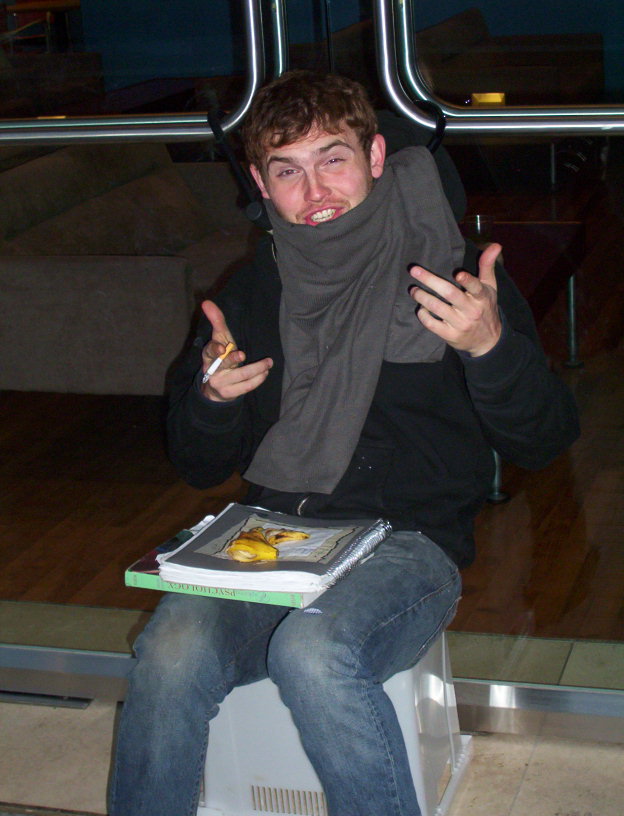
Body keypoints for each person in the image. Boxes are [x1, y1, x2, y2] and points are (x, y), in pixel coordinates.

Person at [109, 71, 579, 816]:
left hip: (411, 540)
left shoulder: (451, 276)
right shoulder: (253, 292)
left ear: (376, 156)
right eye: (287, 171)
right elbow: (198, 465)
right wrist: (211, 402)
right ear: (260, 183)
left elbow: (547, 438)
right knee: (169, 652)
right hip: (277, 534)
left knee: (314, 652)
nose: (315, 190)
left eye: (333, 159)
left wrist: (490, 349)